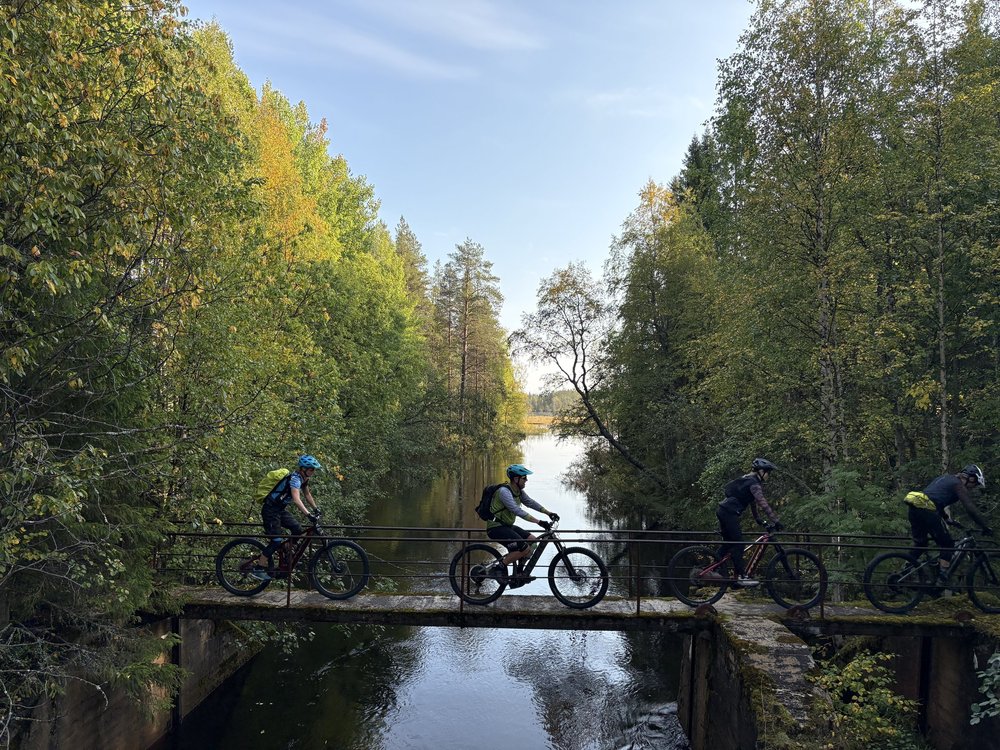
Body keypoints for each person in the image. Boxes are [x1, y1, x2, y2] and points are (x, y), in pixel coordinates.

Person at [903, 464, 992, 585]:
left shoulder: (946, 478)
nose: (973, 487)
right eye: (975, 484)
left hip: (915, 509)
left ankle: (904, 572)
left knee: (921, 543)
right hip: (928, 512)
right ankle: (942, 578)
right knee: (948, 544)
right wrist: (984, 526)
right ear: (970, 478)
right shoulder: (958, 485)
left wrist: (947, 518)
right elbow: (970, 509)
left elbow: (934, 498)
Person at [485, 464, 560, 587]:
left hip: (507, 526)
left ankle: (519, 573)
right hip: (496, 527)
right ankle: (498, 568)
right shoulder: (504, 491)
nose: (526, 480)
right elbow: (516, 510)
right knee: (524, 548)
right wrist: (539, 522)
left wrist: (549, 513)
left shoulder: (519, 492)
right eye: (524, 478)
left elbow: (530, 503)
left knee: (533, 541)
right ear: (516, 479)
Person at [253, 454, 323, 581]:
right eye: (311, 469)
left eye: (314, 469)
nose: (313, 471)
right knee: (276, 541)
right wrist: (308, 514)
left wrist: (316, 508)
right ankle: (258, 569)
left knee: (297, 529)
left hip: (279, 510)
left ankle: (286, 550)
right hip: (270, 511)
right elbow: (296, 499)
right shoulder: (295, 479)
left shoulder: (304, 479)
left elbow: (307, 494)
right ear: (303, 469)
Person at [716, 458, 782, 588]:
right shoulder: (754, 483)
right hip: (729, 513)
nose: (769, 476)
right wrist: (776, 520)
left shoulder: (748, 480)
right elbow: (762, 502)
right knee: (739, 544)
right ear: (761, 471)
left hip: (723, 511)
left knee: (728, 544)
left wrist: (757, 519)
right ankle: (742, 576)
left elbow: (751, 501)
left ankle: (716, 570)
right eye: (768, 472)